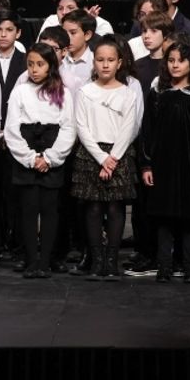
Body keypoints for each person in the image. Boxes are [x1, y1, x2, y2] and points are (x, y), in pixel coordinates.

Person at [139, 35, 190, 283]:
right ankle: (165, 266)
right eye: (171, 60)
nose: (175, 65)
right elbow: (147, 130)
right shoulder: (159, 91)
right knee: (164, 218)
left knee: (188, 219)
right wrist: (147, 163)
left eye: (181, 60)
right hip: (163, 164)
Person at [72, 37, 144, 281]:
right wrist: (101, 157)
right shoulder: (85, 91)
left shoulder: (127, 93)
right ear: (94, 62)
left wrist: (112, 158)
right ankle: (96, 260)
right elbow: (81, 126)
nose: (105, 65)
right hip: (92, 154)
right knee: (92, 207)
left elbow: (128, 128)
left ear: (119, 63)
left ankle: (112, 261)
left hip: (119, 153)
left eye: (110, 60)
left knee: (115, 207)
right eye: (101, 60)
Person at [4, 43, 76, 278]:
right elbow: (12, 129)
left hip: (51, 153)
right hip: (27, 154)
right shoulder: (20, 91)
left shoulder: (62, 92)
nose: (34, 69)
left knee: (49, 210)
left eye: (40, 64)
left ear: (51, 66)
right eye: (31, 64)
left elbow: (68, 129)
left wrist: (50, 158)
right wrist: (30, 157)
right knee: (27, 209)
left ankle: (45, 260)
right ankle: (31, 259)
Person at [125, 9, 174, 275]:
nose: (147, 36)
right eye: (144, 31)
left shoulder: (171, 66)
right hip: (138, 138)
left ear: (166, 35)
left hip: (160, 142)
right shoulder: (138, 65)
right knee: (140, 202)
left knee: (158, 201)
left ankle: (160, 253)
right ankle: (142, 251)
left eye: (153, 31)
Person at [0, 9, 27, 265]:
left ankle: (18, 245)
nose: (3, 34)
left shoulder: (26, 60)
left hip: (18, 137)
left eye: (9, 30)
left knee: (17, 195)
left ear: (18, 33)